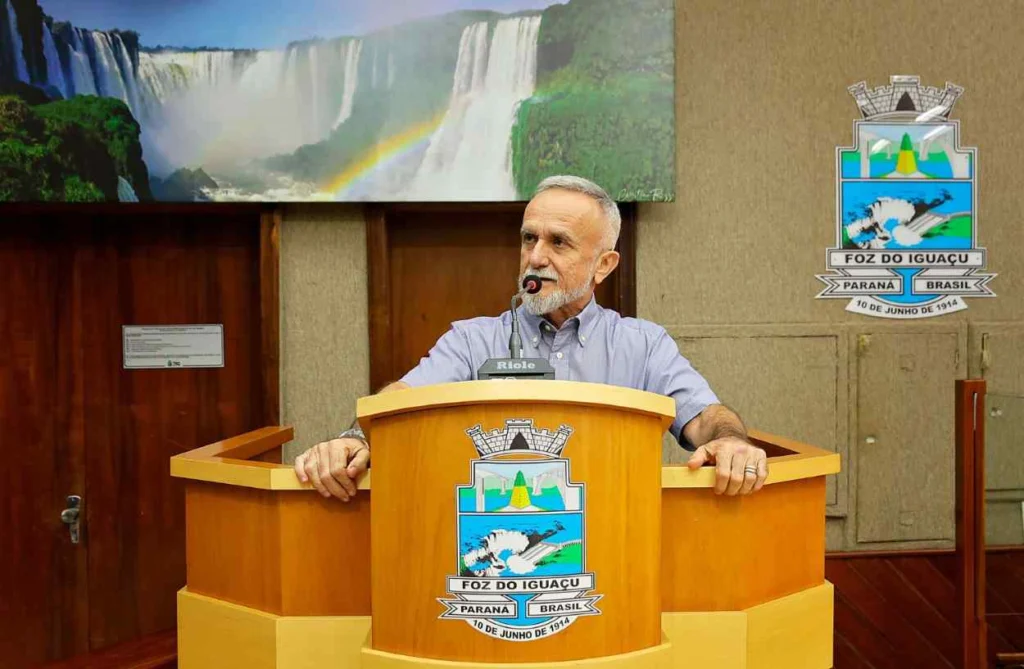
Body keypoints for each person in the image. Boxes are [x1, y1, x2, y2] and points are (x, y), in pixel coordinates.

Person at [294, 175, 768, 501]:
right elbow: (397, 403)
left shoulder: (643, 346)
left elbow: (707, 418)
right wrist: (353, 439)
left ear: (604, 265)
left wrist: (731, 442)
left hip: (615, 548)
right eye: (528, 239)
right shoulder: (471, 342)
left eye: (558, 242)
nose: (536, 257)